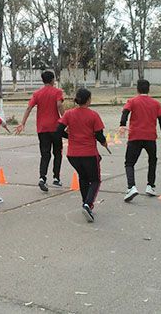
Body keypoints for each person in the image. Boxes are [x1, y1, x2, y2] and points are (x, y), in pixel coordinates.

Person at [56, 88, 107, 222]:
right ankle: (88, 204)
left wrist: (70, 136)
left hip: (73, 154)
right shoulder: (93, 115)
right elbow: (99, 134)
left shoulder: (68, 114)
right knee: (95, 180)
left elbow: (58, 130)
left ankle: (85, 203)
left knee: (83, 177)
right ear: (88, 100)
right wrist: (104, 143)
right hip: (89, 153)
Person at [119, 79, 161, 202]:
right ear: (149, 89)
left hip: (135, 136)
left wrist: (122, 124)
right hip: (150, 137)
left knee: (129, 163)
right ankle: (150, 186)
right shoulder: (155, 103)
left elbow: (125, 112)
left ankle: (131, 187)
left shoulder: (133, 101)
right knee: (152, 160)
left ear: (137, 89)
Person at [15, 70, 65, 192]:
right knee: (57, 153)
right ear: (53, 80)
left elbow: (29, 107)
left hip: (42, 128)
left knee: (45, 154)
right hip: (55, 128)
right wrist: (65, 119)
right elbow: (59, 105)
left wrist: (23, 123)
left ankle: (42, 178)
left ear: (43, 80)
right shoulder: (57, 92)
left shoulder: (37, 93)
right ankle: (56, 177)